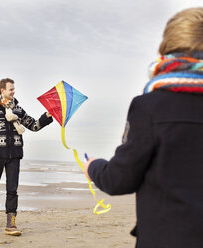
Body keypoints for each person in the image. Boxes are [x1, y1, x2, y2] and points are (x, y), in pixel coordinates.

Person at [82, 8, 203, 248]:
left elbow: (119, 179)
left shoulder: (150, 107)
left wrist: (92, 166)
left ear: (167, 49)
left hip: (166, 238)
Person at [0, 78, 53, 236]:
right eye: (11, 89)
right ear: (2, 90)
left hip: (14, 155)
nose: (13, 91)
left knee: (13, 190)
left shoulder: (18, 110)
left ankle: (10, 224)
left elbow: (33, 126)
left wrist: (47, 116)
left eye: (13, 89)